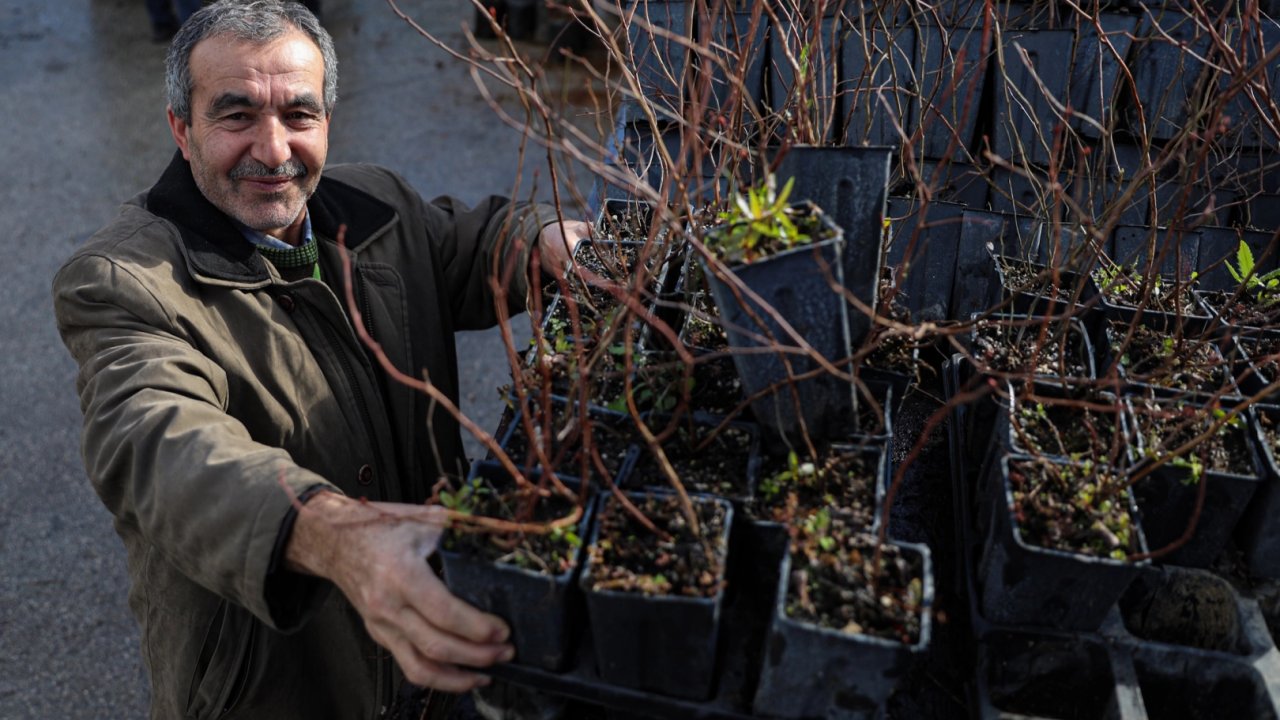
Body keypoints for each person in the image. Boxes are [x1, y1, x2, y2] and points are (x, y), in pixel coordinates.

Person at [53, 1, 590, 718]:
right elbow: (159, 445)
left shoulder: (375, 206)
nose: (274, 151)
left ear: (328, 121)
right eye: (236, 116)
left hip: (438, 659)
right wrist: (333, 535)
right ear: (182, 128)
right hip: (284, 688)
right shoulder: (123, 281)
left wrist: (545, 236)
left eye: (299, 116)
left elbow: (473, 242)